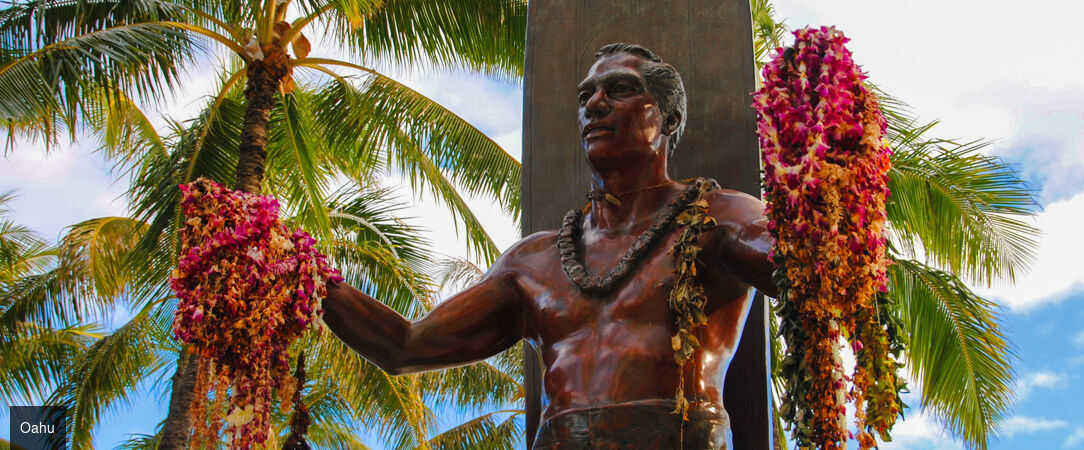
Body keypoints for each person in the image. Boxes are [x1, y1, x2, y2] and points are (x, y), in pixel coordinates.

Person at [321, 43, 778, 449]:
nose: (595, 105)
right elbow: (405, 346)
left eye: (619, 89)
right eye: (585, 96)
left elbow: (802, 267)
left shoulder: (720, 215)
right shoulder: (534, 261)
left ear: (669, 117)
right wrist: (300, 272)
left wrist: (828, 173)